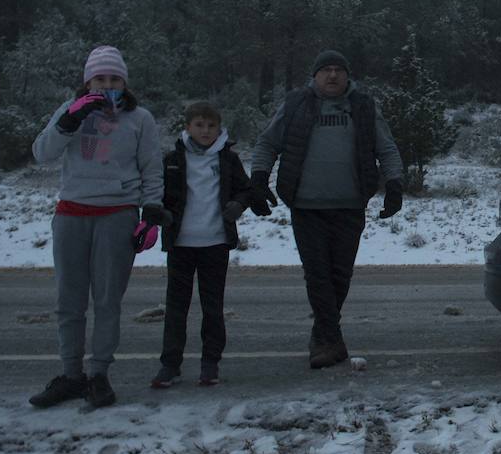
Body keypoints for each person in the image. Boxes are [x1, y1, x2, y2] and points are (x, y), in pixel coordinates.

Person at [30, 45, 166, 409]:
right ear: (88, 81)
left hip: (117, 214)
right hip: (72, 213)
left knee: (107, 301)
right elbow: (42, 152)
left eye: (114, 79)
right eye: (100, 78)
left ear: (124, 82)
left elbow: (152, 167)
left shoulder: (140, 118)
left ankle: (99, 374)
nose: (107, 85)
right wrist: (69, 120)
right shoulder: (70, 110)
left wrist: (151, 212)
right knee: (69, 300)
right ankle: (71, 375)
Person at [249, 50, 404, 368]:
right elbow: (267, 143)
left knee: (339, 276)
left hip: (349, 205)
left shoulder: (363, 106)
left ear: (347, 75)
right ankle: (328, 340)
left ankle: (324, 337)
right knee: (318, 275)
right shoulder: (296, 104)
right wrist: (259, 178)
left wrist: (394, 184)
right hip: (306, 206)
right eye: (326, 70)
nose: (332, 75)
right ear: (315, 75)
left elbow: (386, 147)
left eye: (338, 70)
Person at [152, 102, 253, 389]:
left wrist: (238, 205)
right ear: (187, 127)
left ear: (219, 129)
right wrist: (161, 213)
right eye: (199, 125)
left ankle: (210, 362)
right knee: (176, 307)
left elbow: (245, 189)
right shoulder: (172, 159)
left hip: (215, 242)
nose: (205, 131)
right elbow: (158, 192)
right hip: (180, 243)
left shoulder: (228, 159)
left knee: (213, 307)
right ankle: (170, 364)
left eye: (211, 126)